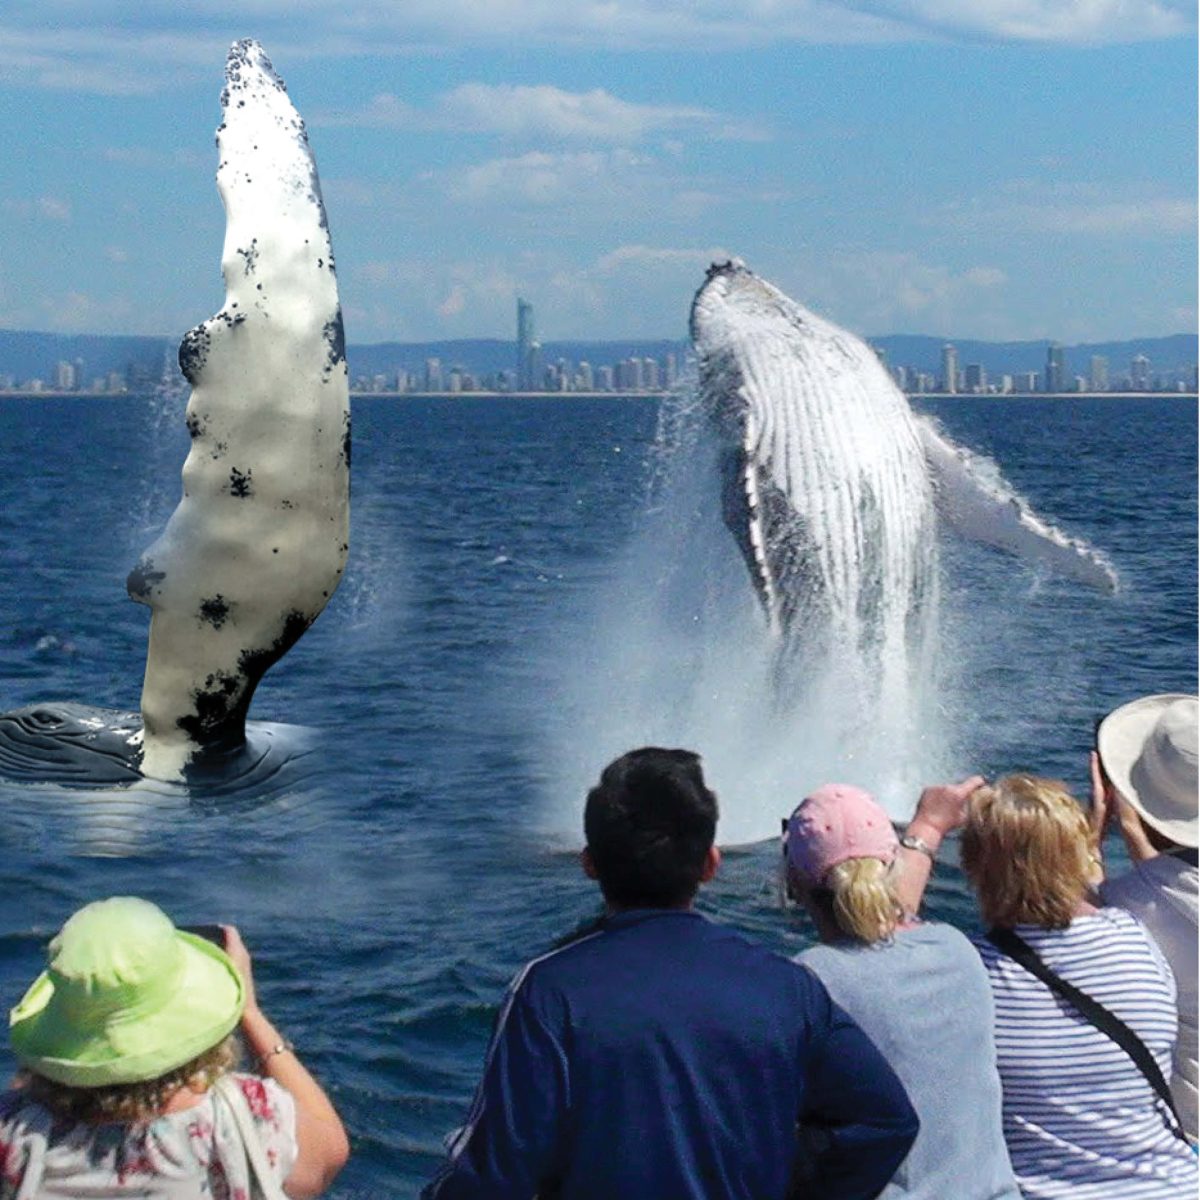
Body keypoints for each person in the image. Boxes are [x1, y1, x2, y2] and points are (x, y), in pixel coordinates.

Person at [422, 747, 919, 1200]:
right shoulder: (788, 987)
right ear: (710, 865)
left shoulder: (548, 992)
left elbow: (490, 1177)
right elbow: (885, 1121)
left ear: (590, 865)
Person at [0, 896, 349, 1199]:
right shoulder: (243, 1115)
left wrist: (49, 1064)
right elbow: (327, 1159)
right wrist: (250, 1013)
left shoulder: (16, 1131)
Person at [961, 775, 1197, 1199]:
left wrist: (923, 835)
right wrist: (1105, 836)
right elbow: (1094, 899)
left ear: (973, 865)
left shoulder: (969, 973)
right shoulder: (1134, 935)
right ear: (1075, 858)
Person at [783, 782, 1019, 1200]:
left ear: (794, 884)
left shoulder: (808, 983)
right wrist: (928, 827)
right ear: (889, 868)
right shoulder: (955, 949)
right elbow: (889, 924)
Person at [1092, 692, 1198, 1139]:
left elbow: (1086, 926)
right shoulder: (1156, 896)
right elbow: (1177, 889)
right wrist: (1137, 835)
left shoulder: (1129, 905)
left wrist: (1092, 839)